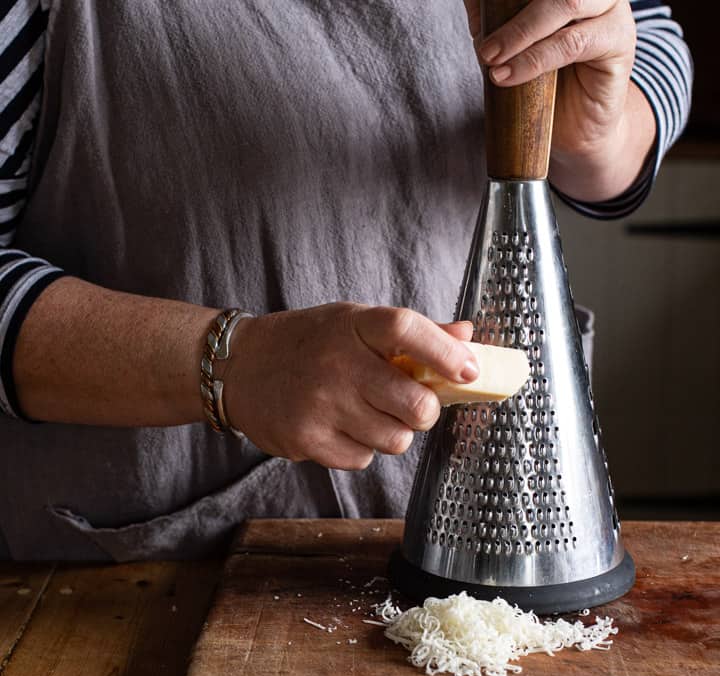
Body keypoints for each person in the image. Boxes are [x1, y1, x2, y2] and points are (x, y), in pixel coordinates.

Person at [0, 0, 691, 562]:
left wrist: (599, 134)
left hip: (493, 538)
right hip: (139, 593)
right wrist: (229, 363)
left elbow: (648, 32)